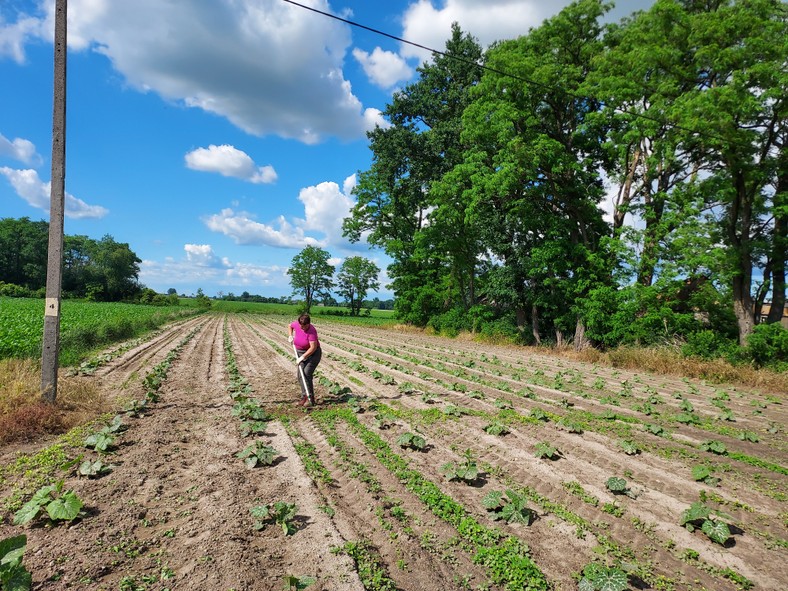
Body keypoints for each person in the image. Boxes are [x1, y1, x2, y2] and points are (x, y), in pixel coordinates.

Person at [288, 312, 322, 406]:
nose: (302, 328)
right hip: (300, 352)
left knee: (307, 373)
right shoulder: (297, 324)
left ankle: (310, 398)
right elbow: (290, 326)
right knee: (300, 375)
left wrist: (303, 357)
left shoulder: (312, 331)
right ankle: (304, 396)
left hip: (313, 354)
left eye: (304, 326)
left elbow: (313, 348)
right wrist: (290, 335)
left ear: (309, 324)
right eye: (301, 326)